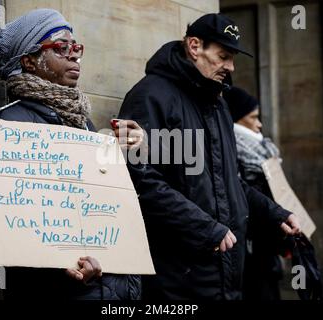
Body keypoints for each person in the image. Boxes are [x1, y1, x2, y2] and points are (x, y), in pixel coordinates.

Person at [118, 13, 301, 300]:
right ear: (194, 46)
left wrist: (273, 213)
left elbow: (230, 182)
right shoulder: (150, 95)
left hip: (226, 269)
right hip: (178, 275)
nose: (230, 67)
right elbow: (139, 180)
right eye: (223, 56)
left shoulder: (218, 105)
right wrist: (204, 228)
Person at [0, 8, 142, 300]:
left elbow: (102, 202)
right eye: (61, 47)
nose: (74, 55)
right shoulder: (2, 127)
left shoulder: (82, 121)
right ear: (29, 61)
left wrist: (131, 156)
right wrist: (58, 260)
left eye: (76, 47)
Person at [224, 86, 284, 300]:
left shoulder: (264, 150)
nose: (259, 125)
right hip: (248, 242)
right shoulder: (233, 148)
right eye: (253, 117)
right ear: (237, 119)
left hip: (266, 241)